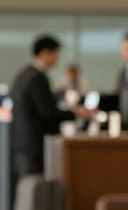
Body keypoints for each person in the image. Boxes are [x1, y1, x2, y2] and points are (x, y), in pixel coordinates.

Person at [10, 36, 88, 184]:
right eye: (56, 54)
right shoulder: (37, 78)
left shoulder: (24, 74)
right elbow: (48, 112)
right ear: (46, 53)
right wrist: (75, 113)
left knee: (27, 191)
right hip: (34, 145)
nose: (57, 60)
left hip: (22, 143)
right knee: (36, 191)